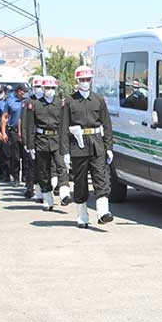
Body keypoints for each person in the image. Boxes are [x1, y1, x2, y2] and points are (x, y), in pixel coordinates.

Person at [60, 65, 114, 227]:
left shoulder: (98, 99)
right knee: (80, 181)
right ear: (77, 81)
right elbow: (63, 128)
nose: (85, 83)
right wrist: (65, 151)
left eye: (87, 79)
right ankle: (82, 214)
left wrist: (109, 147)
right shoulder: (70, 101)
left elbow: (107, 125)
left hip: (97, 144)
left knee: (101, 177)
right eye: (82, 80)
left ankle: (103, 211)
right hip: (78, 145)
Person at [25, 75, 71, 211]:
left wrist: (66, 142)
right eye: (47, 88)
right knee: (43, 171)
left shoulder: (60, 104)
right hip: (42, 140)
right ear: (43, 88)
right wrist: (30, 145)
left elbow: (64, 125)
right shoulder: (35, 105)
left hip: (57, 139)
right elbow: (30, 126)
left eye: (52, 88)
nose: (49, 90)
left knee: (61, 166)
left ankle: (64, 192)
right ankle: (47, 198)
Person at [21, 76, 43, 199]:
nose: (38, 89)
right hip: (31, 138)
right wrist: (25, 141)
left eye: (40, 86)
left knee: (43, 165)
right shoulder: (28, 102)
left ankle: (42, 188)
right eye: (36, 87)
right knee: (30, 163)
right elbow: (24, 123)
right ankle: (29, 187)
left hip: (43, 139)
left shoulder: (46, 101)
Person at [0, 84, 27, 187]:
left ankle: (25, 177)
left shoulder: (28, 101)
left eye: (25, 91)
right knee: (14, 156)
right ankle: (16, 177)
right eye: (22, 91)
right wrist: (3, 132)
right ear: (17, 91)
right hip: (13, 131)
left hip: (26, 132)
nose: (24, 92)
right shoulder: (10, 102)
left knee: (26, 155)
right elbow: (4, 117)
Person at [0, 84, 11, 181]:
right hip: (1, 129)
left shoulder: (10, 102)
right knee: (2, 154)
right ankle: (3, 173)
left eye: (1, 92)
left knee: (9, 154)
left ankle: (9, 173)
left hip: (10, 130)